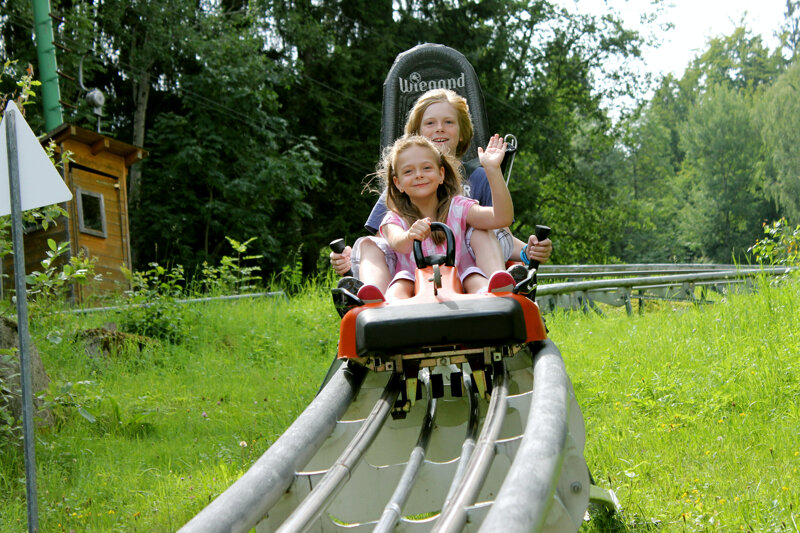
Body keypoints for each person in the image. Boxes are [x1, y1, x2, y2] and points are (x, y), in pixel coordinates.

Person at [330, 88, 552, 293]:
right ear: (417, 134)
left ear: (461, 132)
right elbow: (386, 243)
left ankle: (496, 284)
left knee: (480, 230)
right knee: (368, 245)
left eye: (448, 122)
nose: (439, 128)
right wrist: (350, 260)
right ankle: (373, 296)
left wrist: (528, 252)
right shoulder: (399, 195)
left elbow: (500, 232)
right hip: (410, 273)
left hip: (467, 270)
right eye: (430, 123)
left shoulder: (478, 178)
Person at [363, 134, 515, 301]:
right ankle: (379, 300)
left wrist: (493, 170)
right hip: (414, 288)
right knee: (400, 280)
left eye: (427, 168)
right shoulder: (394, 218)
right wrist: (409, 236)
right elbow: (397, 242)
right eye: (408, 171)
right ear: (398, 183)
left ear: (441, 174)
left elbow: (502, 218)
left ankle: (494, 287)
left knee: (477, 249)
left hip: (461, 283)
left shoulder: (458, 207)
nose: (419, 175)